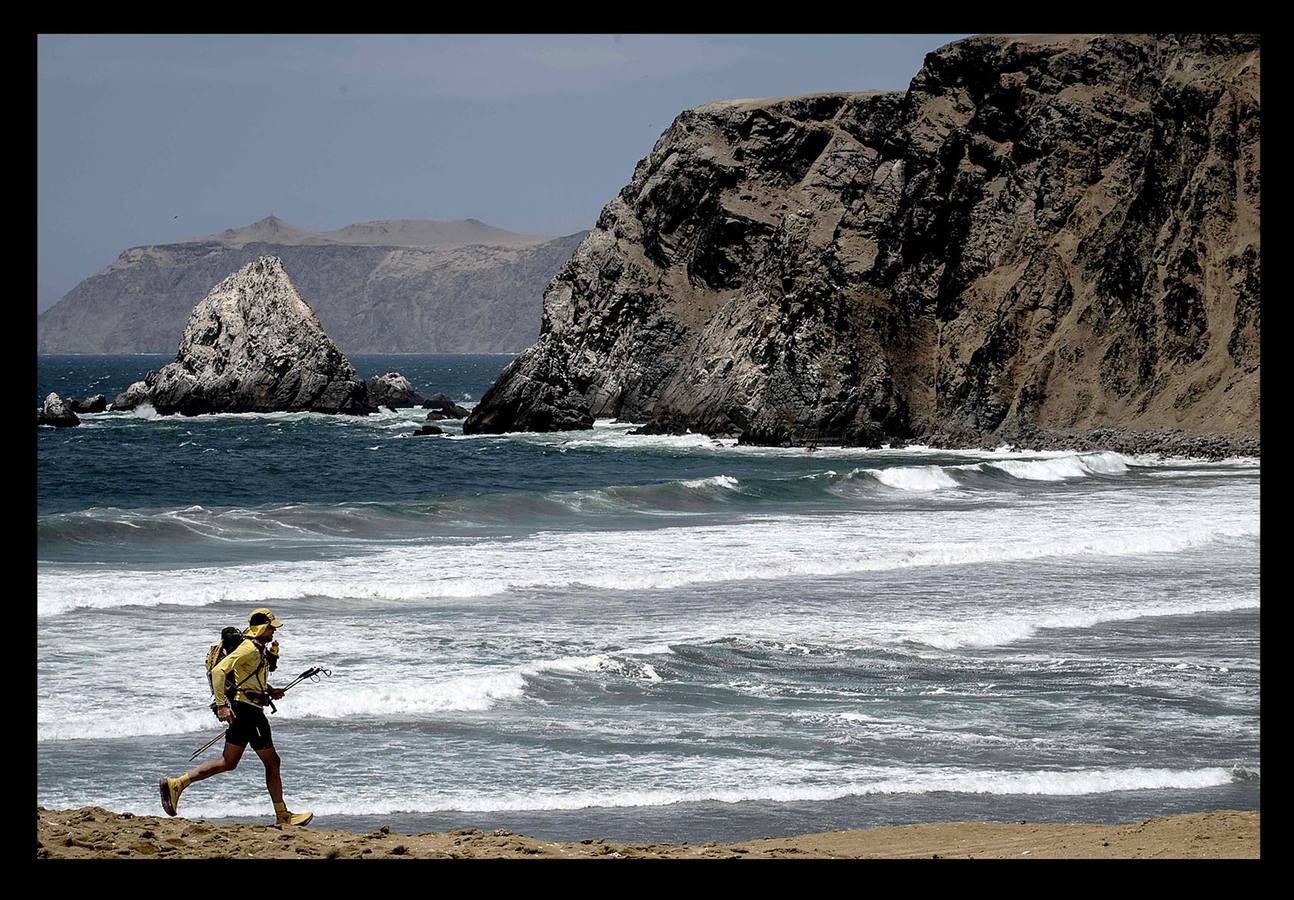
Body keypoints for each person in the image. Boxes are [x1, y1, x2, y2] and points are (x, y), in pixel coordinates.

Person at [159, 608, 314, 826]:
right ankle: (283, 815)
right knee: (272, 762)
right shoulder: (249, 649)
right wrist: (222, 706)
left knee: (228, 762)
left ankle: (177, 784)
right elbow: (219, 671)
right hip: (249, 713)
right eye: (271, 628)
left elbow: (247, 679)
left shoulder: (257, 649)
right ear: (261, 628)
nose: (273, 632)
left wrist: (269, 691)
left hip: (245, 710)